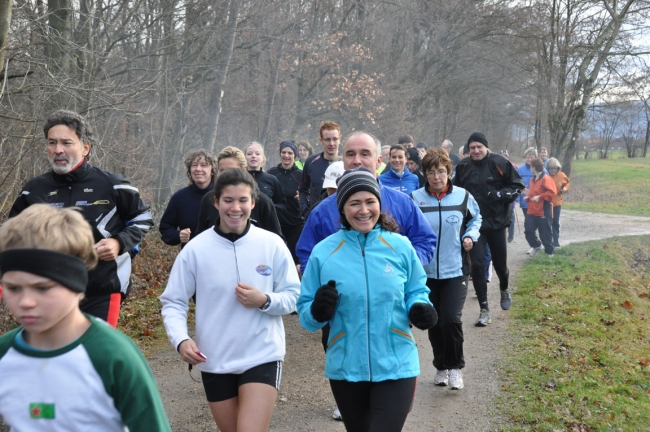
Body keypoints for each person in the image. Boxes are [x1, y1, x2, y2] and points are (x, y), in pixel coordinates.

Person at [0, 204, 171, 431]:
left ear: (76, 282)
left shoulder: (113, 355)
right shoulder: (5, 354)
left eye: (42, 288)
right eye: (13, 288)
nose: (25, 302)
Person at [298, 167, 437, 432]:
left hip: (397, 363)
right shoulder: (323, 252)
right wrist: (317, 311)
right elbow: (306, 315)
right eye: (355, 203)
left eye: (370, 202)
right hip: (346, 366)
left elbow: (416, 291)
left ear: (379, 204)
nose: (363, 210)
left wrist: (420, 307)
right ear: (342, 209)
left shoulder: (400, 246)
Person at [161, 168, 300, 432]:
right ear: (215, 202)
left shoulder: (271, 244)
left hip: (262, 354)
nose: (235, 208)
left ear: (253, 203)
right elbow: (173, 302)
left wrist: (265, 300)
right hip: (215, 358)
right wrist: (180, 340)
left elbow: (294, 296)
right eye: (228, 200)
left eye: (243, 200)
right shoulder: (196, 250)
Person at [9, 110, 153, 327]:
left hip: (102, 288)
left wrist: (119, 242)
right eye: (52, 143)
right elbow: (13, 239)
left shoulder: (113, 185)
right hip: (49, 291)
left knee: (94, 357)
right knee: (55, 358)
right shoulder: (33, 191)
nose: (58, 150)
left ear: (85, 148)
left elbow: (144, 216)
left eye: (66, 142)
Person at [297, 131, 437, 275]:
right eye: (350, 154)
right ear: (343, 161)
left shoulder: (403, 204)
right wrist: (325, 283)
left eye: (365, 154)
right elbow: (307, 254)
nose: (357, 161)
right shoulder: (321, 212)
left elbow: (425, 242)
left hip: (392, 293)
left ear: (378, 161)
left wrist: (402, 268)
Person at [412, 149, 482, 391]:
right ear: (425, 174)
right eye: (430, 172)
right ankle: (441, 366)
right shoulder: (415, 198)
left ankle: (455, 368)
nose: (436, 177)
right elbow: (408, 227)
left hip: (456, 270)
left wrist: (470, 235)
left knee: (451, 319)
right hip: (426, 272)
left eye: (441, 171)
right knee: (435, 322)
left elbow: (476, 219)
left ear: (448, 172)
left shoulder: (462, 197)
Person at [454, 132, 524, 326]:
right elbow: (455, 192)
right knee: (476, 265)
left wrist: (501, 195)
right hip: (474, 225)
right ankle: (484, 309)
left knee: (500, 265)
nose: (475, 151)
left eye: (479, 147)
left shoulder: (499, 162)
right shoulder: (462, 167)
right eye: (472, 147)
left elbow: (518, 185)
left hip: (497, 222)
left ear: (486, 147)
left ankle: (504, 288)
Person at [195, 146, 282, 237]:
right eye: (222, 171)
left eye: (232, 170)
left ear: (244, 170)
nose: (227, 175)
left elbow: (276, 239)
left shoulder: (263, 201)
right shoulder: (209, 200)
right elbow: (200, 236)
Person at [159, 149, 217, 247]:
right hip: (190, 257)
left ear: (212, 170)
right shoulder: (180, 197)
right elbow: (165, 227)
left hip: (220, 257)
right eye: (194, 165)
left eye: (204, 165)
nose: (198, 169)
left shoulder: (223, 196)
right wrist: (178, 235)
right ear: (190, 170)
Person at [268, 141, 305, 264]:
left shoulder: (301, 175)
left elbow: (309, 194)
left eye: (290, 153)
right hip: (276, 223)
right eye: (283, 152)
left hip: (296, 223)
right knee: (277, 259)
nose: (286, 155)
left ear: (294, 155)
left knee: (294, 259)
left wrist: (303, 196)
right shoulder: (271, 173)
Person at [299, 121, 342, 217]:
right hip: (316, 217)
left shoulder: (347, 163)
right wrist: (305, 212)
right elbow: (303, 190)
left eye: (335, 139)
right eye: (327, 139)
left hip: (342, 218)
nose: (331, 143)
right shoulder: (311, 162)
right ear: (321, 140)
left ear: (340, 139)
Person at [523, 158, 557, 257]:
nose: (530, 168)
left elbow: (552, 193)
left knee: (545, 234)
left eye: (531, 166)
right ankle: (536, 245)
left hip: (544, 211)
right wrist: (528, 197)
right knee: (528, 231)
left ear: (534, 167)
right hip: (531, 210)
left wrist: (540, 197)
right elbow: (533, 193)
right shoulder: (532, 180)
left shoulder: (546, 179)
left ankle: (550, 253)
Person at [243, 141, 286, 207]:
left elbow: (282, 204)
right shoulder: (239, 179)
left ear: (263, 158)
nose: (253, 156)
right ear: (244, 157)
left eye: (257, 154)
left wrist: (269, 209)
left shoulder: (272, 180)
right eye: (249, 154)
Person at [546, 157, 570, 248]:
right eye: (551, 168)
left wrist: (565, 188)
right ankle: (548, 241)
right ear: (548, 169)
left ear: (558, 168)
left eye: (554, 168)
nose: (553, 170)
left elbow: (567, 183)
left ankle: (556, 241)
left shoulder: (561, 175)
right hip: (547, 203)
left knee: (555, 222)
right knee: (548, 223)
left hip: (557, 202)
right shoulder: (546, 176)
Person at [500, 150, 519, 243]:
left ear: (508, 157)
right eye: (502, 155)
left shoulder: (513, 166)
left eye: (506, 155)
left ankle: (511, 234)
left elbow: (517, 181)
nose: (504, 157)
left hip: (510, 196)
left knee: (511, 216)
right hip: (500, 196)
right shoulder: (496, 166)